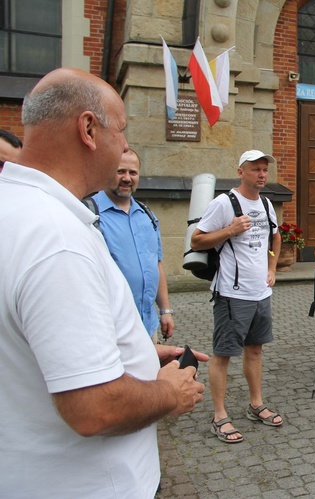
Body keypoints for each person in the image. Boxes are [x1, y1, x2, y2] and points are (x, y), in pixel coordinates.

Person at [0, 68, 206, 497]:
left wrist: (135, 352)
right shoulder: (57, 239)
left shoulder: (16, 208)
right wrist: (168, 391)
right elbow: (94, 407)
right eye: (124, 131)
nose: (127, 148)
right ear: (89, 129)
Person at [191, 150, 283, 443]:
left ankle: (256, 404)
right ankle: (219, 416)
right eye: (255, 169)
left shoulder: (267, 203)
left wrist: (272, 268)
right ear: (241, 172)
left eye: (265, 170)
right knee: (223, 355)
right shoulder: (224, 202)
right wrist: (230, 229)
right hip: (231, 294)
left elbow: (275, 236)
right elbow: (197, 238)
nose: (262, 174)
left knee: (255, 350)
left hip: (260, 292)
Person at [91, 149, 175, 341]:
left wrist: (165, 310)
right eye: (120, 171)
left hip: (147, 325)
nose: (127, 178)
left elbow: (156, 264)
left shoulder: (147, 215)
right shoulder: (89, 213)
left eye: (133, 173)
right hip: (111, 329)